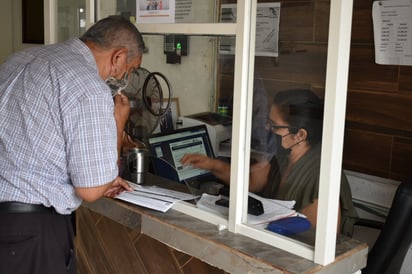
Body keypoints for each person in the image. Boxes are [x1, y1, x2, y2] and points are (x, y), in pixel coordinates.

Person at [0, 16, 145, 274]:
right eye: (131, 69)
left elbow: (37, 138)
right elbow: (90, 190)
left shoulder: (21, 58)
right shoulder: (88, 87)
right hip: (30, 232)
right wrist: (118, 123)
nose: (125, 76)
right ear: (118, 57)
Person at [181, 89, 358, 236]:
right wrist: (211, 164)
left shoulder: (321, 175)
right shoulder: (283, 156)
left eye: (274, 125)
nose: (268, 129)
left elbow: (312, 240)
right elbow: (251, 182)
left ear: (300, 135)